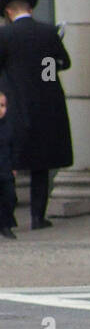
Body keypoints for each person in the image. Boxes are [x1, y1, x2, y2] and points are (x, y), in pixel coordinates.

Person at [0, 0, 72, 231]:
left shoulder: (5, 35)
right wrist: (46, 74)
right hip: (44, 105)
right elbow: (61, 62)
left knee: (7, 162)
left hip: (13, 105)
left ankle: (8, 217)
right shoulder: (47, 32)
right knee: (40, 165)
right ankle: (38, 218)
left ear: (9, 11)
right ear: (29, 8)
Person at [0, 90, 15, 239]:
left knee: (10, 197)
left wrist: (14, 166)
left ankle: (6, 223)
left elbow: (13, 147)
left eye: (3, 105)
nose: (1, 109)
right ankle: (5, 226)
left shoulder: (8, 126)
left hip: (6, 168)